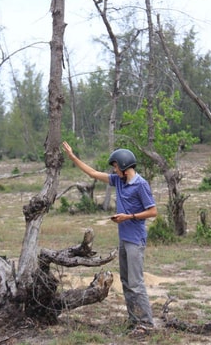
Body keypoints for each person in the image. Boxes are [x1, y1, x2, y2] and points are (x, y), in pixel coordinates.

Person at [62, 141, 157, 331]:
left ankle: (146, 323)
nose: (113, 170)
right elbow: (93, 173)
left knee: (136, 283)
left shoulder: (140, 185)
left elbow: (153, 211)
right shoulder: (119, 181)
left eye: (115, 166)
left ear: (123, 166)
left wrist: (128, 216)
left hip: (135, 240)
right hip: (124, 239)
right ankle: (134, 320)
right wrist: (73, 158)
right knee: (126, 282)